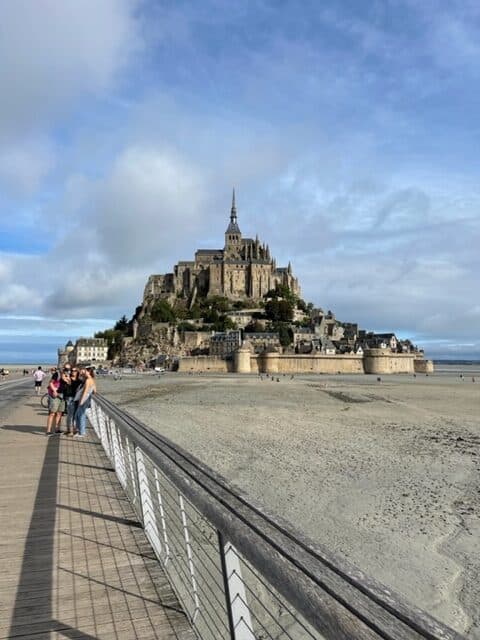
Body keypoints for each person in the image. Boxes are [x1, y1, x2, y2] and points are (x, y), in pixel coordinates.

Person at [74, 367, 96, 438]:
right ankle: (80, 431)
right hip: (87, 399)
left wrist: (81, 401)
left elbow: (85, 391)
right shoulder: (92, 380)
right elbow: (95, 391)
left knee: (80, 415)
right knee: (80, 415)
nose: (85, 372)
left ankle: (82, 432)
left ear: (89, 372)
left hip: (84, 399)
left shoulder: (88, 380)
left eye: (86, 371)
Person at [61, 365, 82, 436]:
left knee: (75, 415)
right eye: (72, 370)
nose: (73, 372)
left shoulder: (79, 381)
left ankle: (73, 429)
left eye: (75, 371)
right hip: (70, 398)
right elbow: (62, 376)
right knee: (70, 415)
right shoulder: (68, 378)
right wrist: (66, 372)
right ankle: (70, 430)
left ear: (77, 372)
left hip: (77, 399)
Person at [46, 372, 65, 436]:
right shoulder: (57, 374)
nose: (67, 370)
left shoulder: (68, 375)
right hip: (54, 396)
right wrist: (54, 390)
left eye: (68, 369)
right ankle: (48, 431)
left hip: (63, 396)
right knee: (52, 413)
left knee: (59, 413)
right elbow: (50, 382)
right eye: (65, 369)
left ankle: (57, 429)